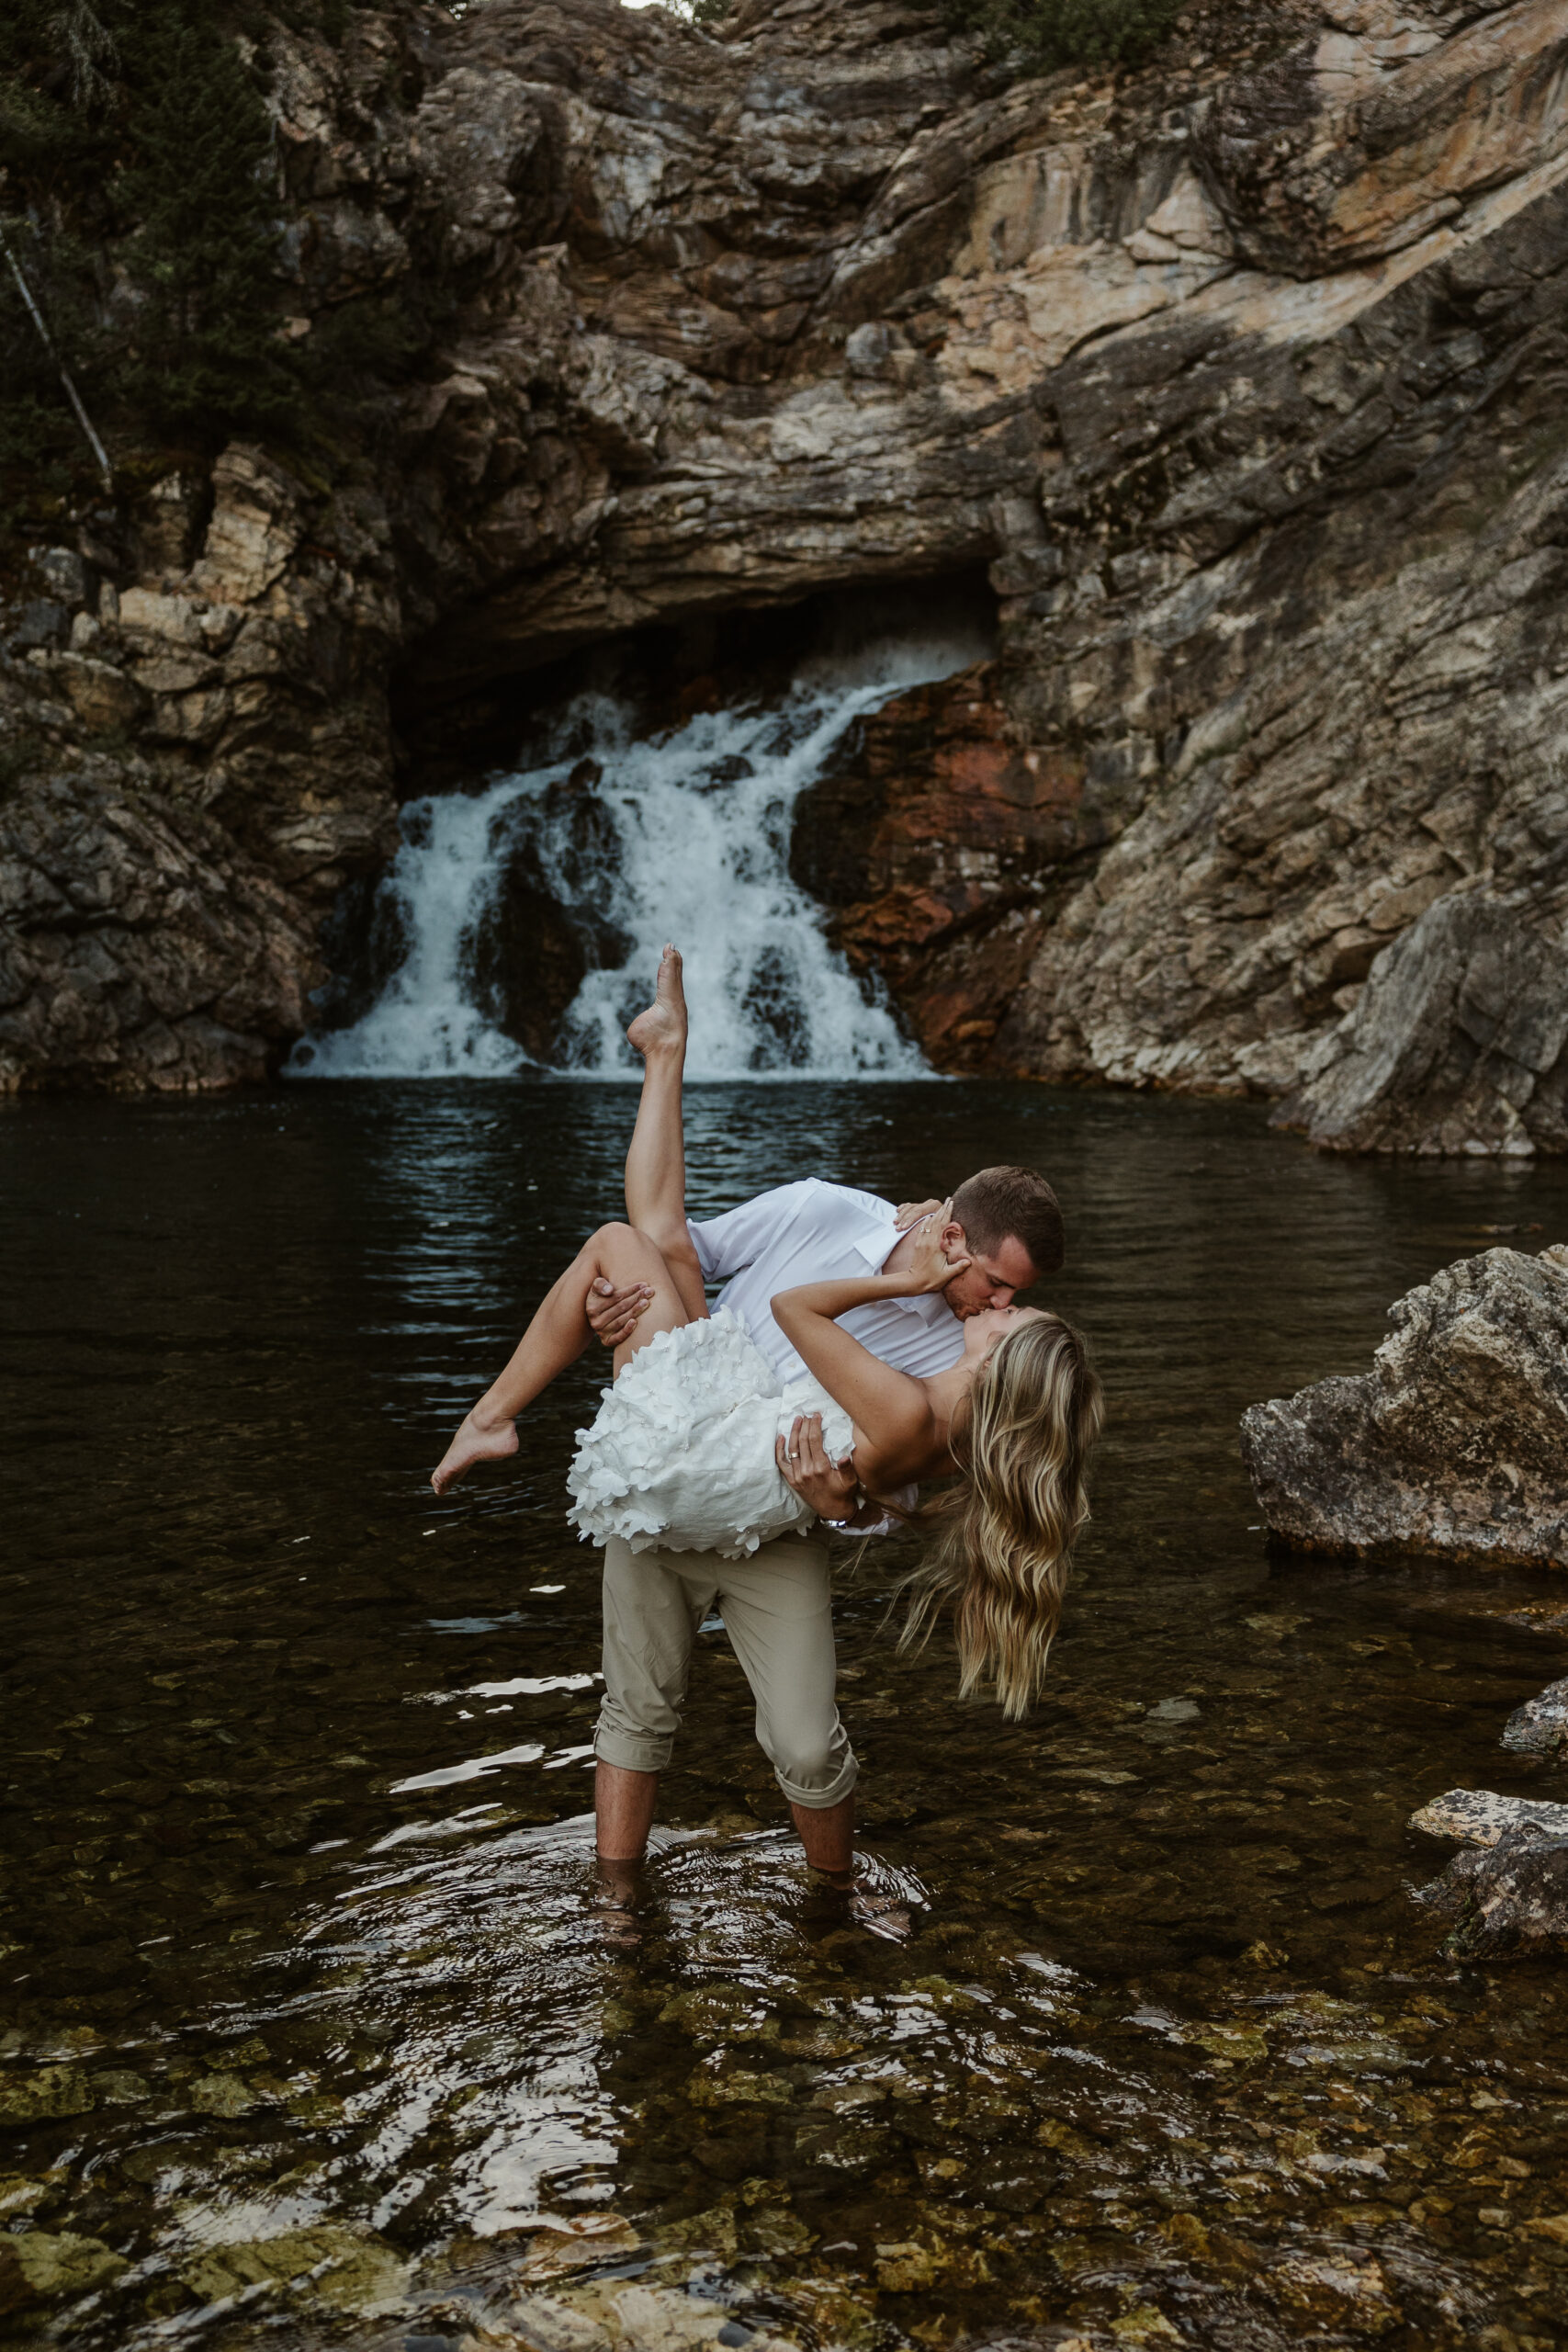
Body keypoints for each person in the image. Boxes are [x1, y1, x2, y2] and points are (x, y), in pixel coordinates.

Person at [431, 947, 1100, 1881]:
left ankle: (833, 1897)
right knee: (636, 1711)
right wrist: (601, 1315)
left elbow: (911, 1486)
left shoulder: (974, 1363)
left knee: (808, 1743)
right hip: (691, 1434)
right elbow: (680, 1253)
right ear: (954, 1236)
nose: (996, 1307)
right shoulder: (826, 1211)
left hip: (777, 1520)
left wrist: (848, 1506)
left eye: (1010, 1299)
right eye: (996, 1284)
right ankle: (617, 1913)